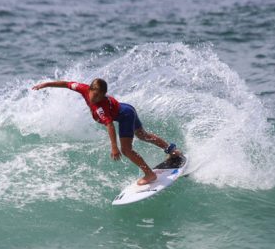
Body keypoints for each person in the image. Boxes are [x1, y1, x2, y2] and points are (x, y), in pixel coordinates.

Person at [31, 78, 182, 185]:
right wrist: (46, 84)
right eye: (94, 95)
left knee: (127, 150)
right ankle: (172, 150)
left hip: (125, 116)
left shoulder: (101, 108)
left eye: (99, 96)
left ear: (104, 95)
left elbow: (109, 125)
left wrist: (114, 147)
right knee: (143, 135)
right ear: (89, 89)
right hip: (127, 108)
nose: (95, 99)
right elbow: (65, 84)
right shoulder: (83, 88)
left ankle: (149, 175)